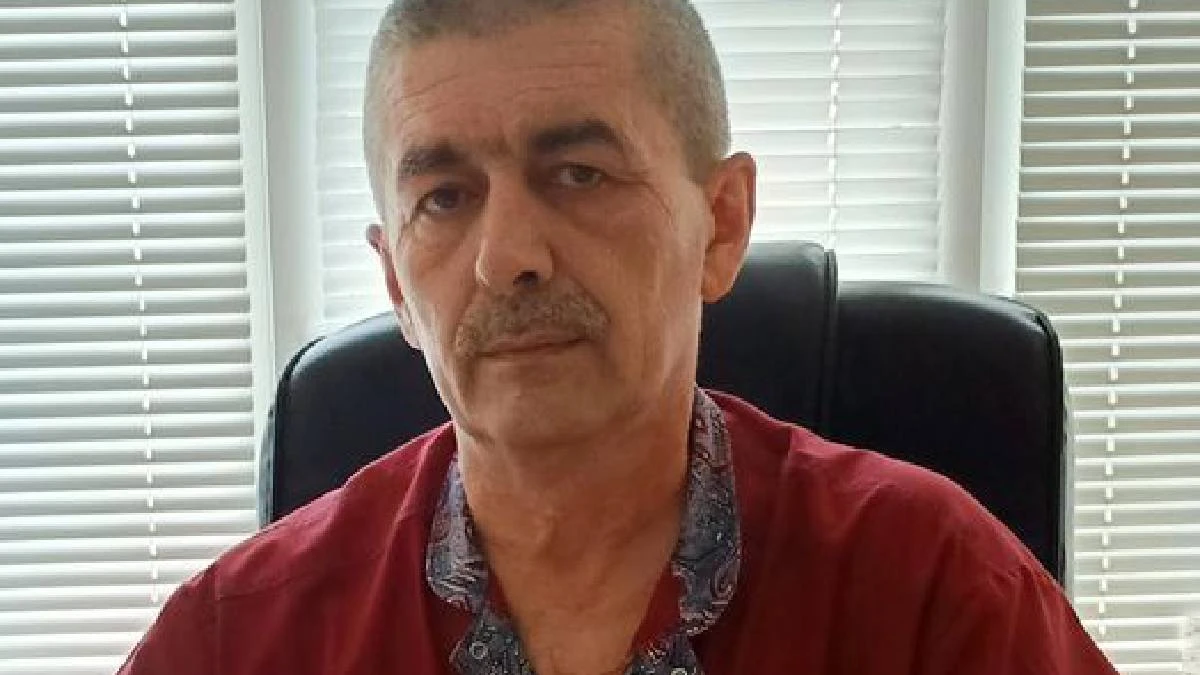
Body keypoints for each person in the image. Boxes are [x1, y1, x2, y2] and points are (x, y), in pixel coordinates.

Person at [118, 1, 1119, 673]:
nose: (508, 256)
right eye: (445, 197)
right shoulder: (237, 640)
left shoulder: (937, 596)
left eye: (580, 174)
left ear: (720, 224)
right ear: (395, 284)